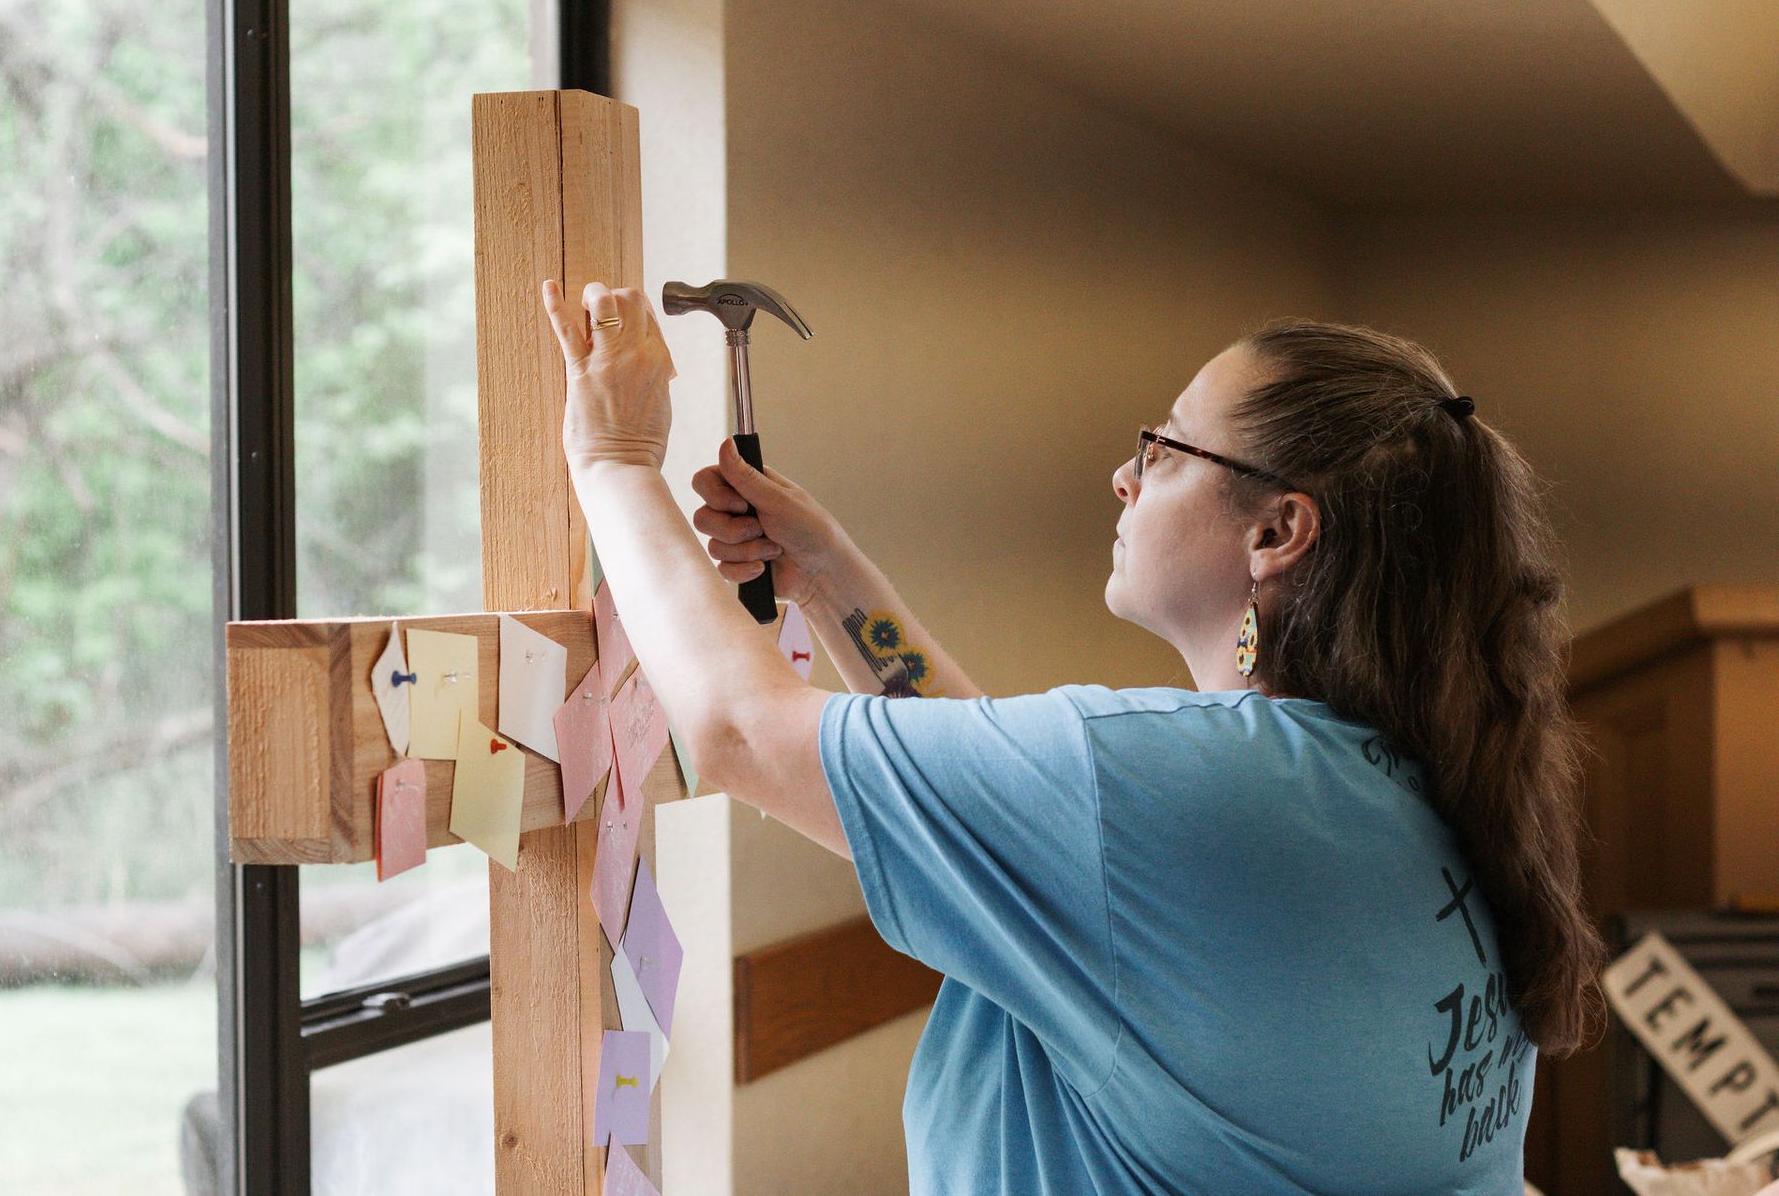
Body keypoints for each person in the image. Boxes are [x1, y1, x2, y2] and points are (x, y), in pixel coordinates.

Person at [541, 279, 1605, 1195]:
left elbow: (737, 731)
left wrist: (617, 459)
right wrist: (824, 579)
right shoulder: (1397, 782)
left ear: (1278, 531)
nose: (1125, 474)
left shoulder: (1182, 785)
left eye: (1165, 446)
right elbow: (1036, 821)